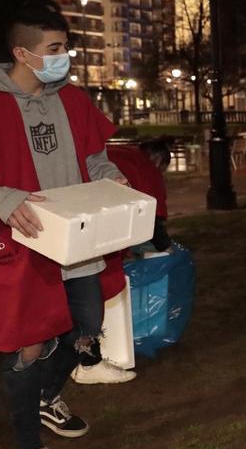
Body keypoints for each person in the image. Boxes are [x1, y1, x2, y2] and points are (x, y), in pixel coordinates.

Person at [0, 1, 128, 449]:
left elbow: (95, 157)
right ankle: (27, 446)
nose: (65, 56)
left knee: (85, 330)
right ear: (22, 53)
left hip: (78, 244)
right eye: (54, 48)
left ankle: (45, 399)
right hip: (20, 248)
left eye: (66, 46)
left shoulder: (74, 99)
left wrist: (109, 175)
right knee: (28, 347)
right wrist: (3, 197)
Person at [67, 138, 174, 386]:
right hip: (101, 232)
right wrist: (166, 248)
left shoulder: (122, 155)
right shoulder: (146, 171)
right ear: (158, 161)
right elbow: (154, 220)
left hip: (81, 217)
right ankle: (90, 358)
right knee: (96, 289)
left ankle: (79, 354)